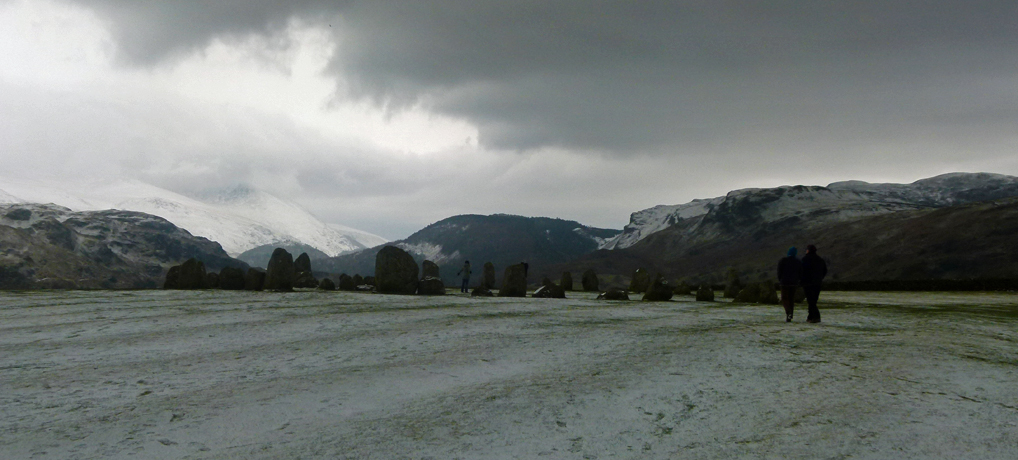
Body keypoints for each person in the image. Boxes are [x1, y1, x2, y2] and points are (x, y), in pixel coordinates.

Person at [800, 244, 828, 323]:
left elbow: (802, 271)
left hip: (808, 283)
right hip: (817, 283)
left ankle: (815, 317)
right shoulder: (820, 260)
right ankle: (810, 317)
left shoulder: (805, 259)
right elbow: (825, 270)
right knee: (813, 300)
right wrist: (820, 278)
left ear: (808, 250)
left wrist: (801, 280)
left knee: (810, 301)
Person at [777, 247, 802, 322]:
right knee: (791, 298)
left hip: (784, 282)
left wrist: (780, 279)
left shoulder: (783, 261)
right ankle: (790, 314)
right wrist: (798, 280)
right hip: (794, 283)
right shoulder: (798, 262)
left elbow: (779, 271)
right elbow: (801, 272)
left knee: (784, 298)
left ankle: (788, 312)